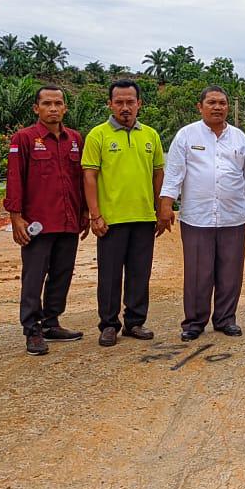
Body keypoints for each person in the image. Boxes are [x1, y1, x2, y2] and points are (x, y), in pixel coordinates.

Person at [158, 86, 245, 341]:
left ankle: (226, 319)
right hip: (197, 217)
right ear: (200, 106)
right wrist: (165, 205)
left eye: (222, 103)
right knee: (198, 272)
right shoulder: (186, 136)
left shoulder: (240, 138)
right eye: (212, 102)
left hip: (233, 216)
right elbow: (173, 175)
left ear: (228, 106)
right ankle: (194, 322)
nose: (218, 107)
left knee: (230, 271)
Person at [5, 84, 90, 356]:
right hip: (37, 224)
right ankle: (32, 329)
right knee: (34, 277)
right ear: (36, 108)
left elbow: (83, 179)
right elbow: (15, 180)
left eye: (58, 104)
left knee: (62, 273)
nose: (53, 109)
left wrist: (85, 212)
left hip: (68, 221)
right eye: (47, 104)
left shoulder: (76, 139)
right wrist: (16, 217)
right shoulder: (24, 138)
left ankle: (51, 322)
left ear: (65, 108)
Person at [81, 79, 165, 347]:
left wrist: (161, 208)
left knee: (140, 273)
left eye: (130, 102)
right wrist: (95, 214)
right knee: (109, 275)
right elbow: (90, 176)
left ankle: (135, 322)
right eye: (119, 102)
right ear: (110, 104)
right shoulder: (98, 135)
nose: (125, 107)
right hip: (111, 220)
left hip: (143, 218)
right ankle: (108, 325)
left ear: (139, 104)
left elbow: (158, 173)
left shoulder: (150, 135)